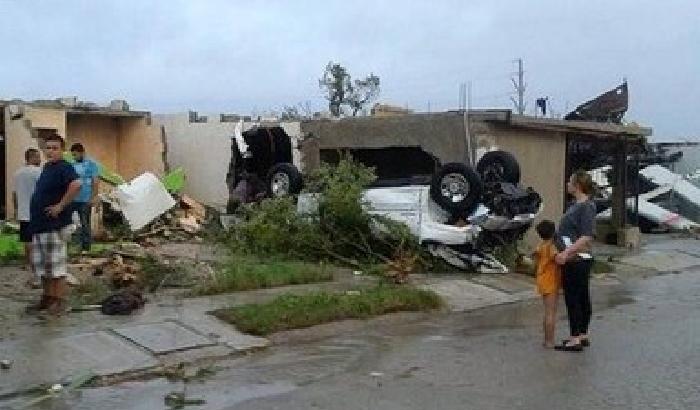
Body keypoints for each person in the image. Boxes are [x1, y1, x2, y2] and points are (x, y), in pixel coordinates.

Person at [28, 134, 81, 316]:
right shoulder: (47, 167)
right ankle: (47, 298)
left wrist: (60, 206)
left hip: (54, 225)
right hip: (40, 225)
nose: (50, 151)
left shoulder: (64, 167)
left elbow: (76, 184)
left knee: (56, 268)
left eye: (55, 148)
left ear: (62, 150)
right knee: (43, 267)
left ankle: (59, 302)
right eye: (48, 148)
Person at [554, 170, 596, 352]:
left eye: (570, 181)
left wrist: (567, 253)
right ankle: (582, 333)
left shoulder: (585, 206)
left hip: (576, 259)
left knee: (574, 298)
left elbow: (586, 236)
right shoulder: (576, 205)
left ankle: (575, 337)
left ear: (577, 185)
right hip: (574, 257)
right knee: (580, 296)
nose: (567, 184)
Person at [12, 148, 42, 285]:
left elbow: (14, 194)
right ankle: (36, 264)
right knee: (37, 239)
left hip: (23, 211)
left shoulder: (17, 173)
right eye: (38, 157)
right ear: (33, 157)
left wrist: (16, 209)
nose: (40, 159)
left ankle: (27, 263)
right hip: (36, 211)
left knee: (26, 239)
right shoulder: (38, 172)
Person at [533, 219, 561, 348]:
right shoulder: (551, 247)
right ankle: (549, 340)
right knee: (551, 312)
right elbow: (559, 259)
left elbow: (535, 258)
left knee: (547, 311)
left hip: (542, 279)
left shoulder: (540, 246)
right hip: (551, 281)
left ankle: (546, 339)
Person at [69, 143, 99, 252]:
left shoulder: (91, 165)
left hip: (85, 199)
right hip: (73, 199)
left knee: (85, 223)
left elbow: (95, 181)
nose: (74, 157)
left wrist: (93, 197)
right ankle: (73, 244)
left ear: (82, 153)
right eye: (73, 155)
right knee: (70, 223)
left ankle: (86, 248)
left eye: (76, 155)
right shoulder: (72, 165)